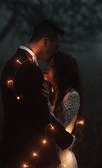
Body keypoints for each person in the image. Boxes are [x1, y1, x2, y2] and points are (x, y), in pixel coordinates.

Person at [0, 20, 74, 168]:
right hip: (29, 153)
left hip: (13, 148)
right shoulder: (29, 69)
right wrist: (66, 139)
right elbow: (40, 114)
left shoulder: (13, 63)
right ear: (45, 41)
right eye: (55, 46)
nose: (56, 51)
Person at [44, 51, 82, 168]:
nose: (46, 68)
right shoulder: (52, 93)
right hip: (47, 155)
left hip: (62, 159)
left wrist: (45, 103)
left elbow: (62, 129)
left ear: (60, 70)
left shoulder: (71, 95)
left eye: (51, 66)